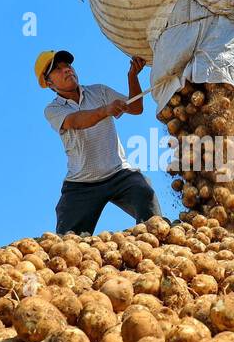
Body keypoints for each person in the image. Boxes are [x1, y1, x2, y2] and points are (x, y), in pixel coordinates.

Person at [37, 49, 163, 235]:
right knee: (66, 241)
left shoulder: (99, 92)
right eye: (57, 69)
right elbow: (76, 122)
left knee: (146, 197)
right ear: (49, 83)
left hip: (119, 173)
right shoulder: (53, 109)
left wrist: (132, 76)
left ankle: (159, 244)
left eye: (68, 65)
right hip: (81, 184)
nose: (67, 70)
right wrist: (105, 111)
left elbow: (136, 107)